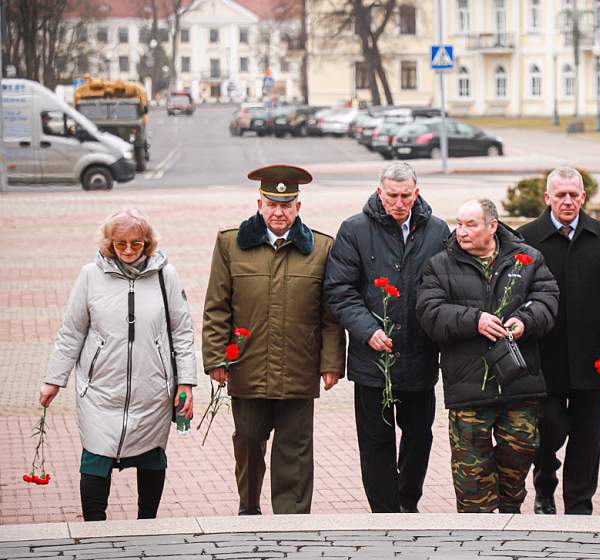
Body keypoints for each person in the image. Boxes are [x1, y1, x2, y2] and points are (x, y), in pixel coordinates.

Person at [202, 164, 345, 515]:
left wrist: (330, 363)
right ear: (259, 204)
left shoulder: (322, 249)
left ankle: (292, 519)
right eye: (271, 204)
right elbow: (217, 308)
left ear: (298, 207)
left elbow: (330, 315)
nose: (278, 212)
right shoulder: (230, 244)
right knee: (248, 442)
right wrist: (216, 359)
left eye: (287, 204)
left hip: (299, 367)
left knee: (294, 450)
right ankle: (248, 506)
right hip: (247, 366)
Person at [41, 208, 197, 521]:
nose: (127, 250)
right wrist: (53, 379)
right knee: (95, 457)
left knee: (153, 457)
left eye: (135, 244)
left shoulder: (166, 275)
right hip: (99, 389)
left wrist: (187, 383)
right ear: (109, 244)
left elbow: (182, 331)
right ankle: (94, 529)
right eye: (120, 243)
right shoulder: (89, 275)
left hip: (152, 389)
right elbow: (71, 331)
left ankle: (146, 523)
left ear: (147, 243)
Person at [416, 199, 558, 513]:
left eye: (471, 225)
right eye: (460, 224)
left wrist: (525, 321)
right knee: (471, 481)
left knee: (516, 467)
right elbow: (429, 313)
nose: (462, 232)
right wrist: (473, 320)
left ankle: (509, 527)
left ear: (492, 226)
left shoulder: (528, 259)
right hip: (469, 390)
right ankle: (474, 536)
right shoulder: (439, 264)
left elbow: (547, 300)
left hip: (519, 387)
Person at [323, 162, 449, 513]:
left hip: (420, 356)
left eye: (405, 195)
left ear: (416, 193)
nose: (399, 203)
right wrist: (368, 330)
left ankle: (408, 503)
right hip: (372, 360)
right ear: (380, 193)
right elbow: (340, 290)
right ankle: (384, 511)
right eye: (392, 195)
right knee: (376, 442)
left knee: (419, 437)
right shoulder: (354, 230)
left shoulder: (437, 231)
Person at [517, 167, 600, 515]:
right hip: (542, 356)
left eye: (573, 194)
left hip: (591, 354)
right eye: (560, 195)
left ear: (583, 197)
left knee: (587, 437)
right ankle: (544, 485)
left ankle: (580, 503)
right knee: (549, 428)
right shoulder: (526, 238)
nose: (567, 201)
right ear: (547, 198)